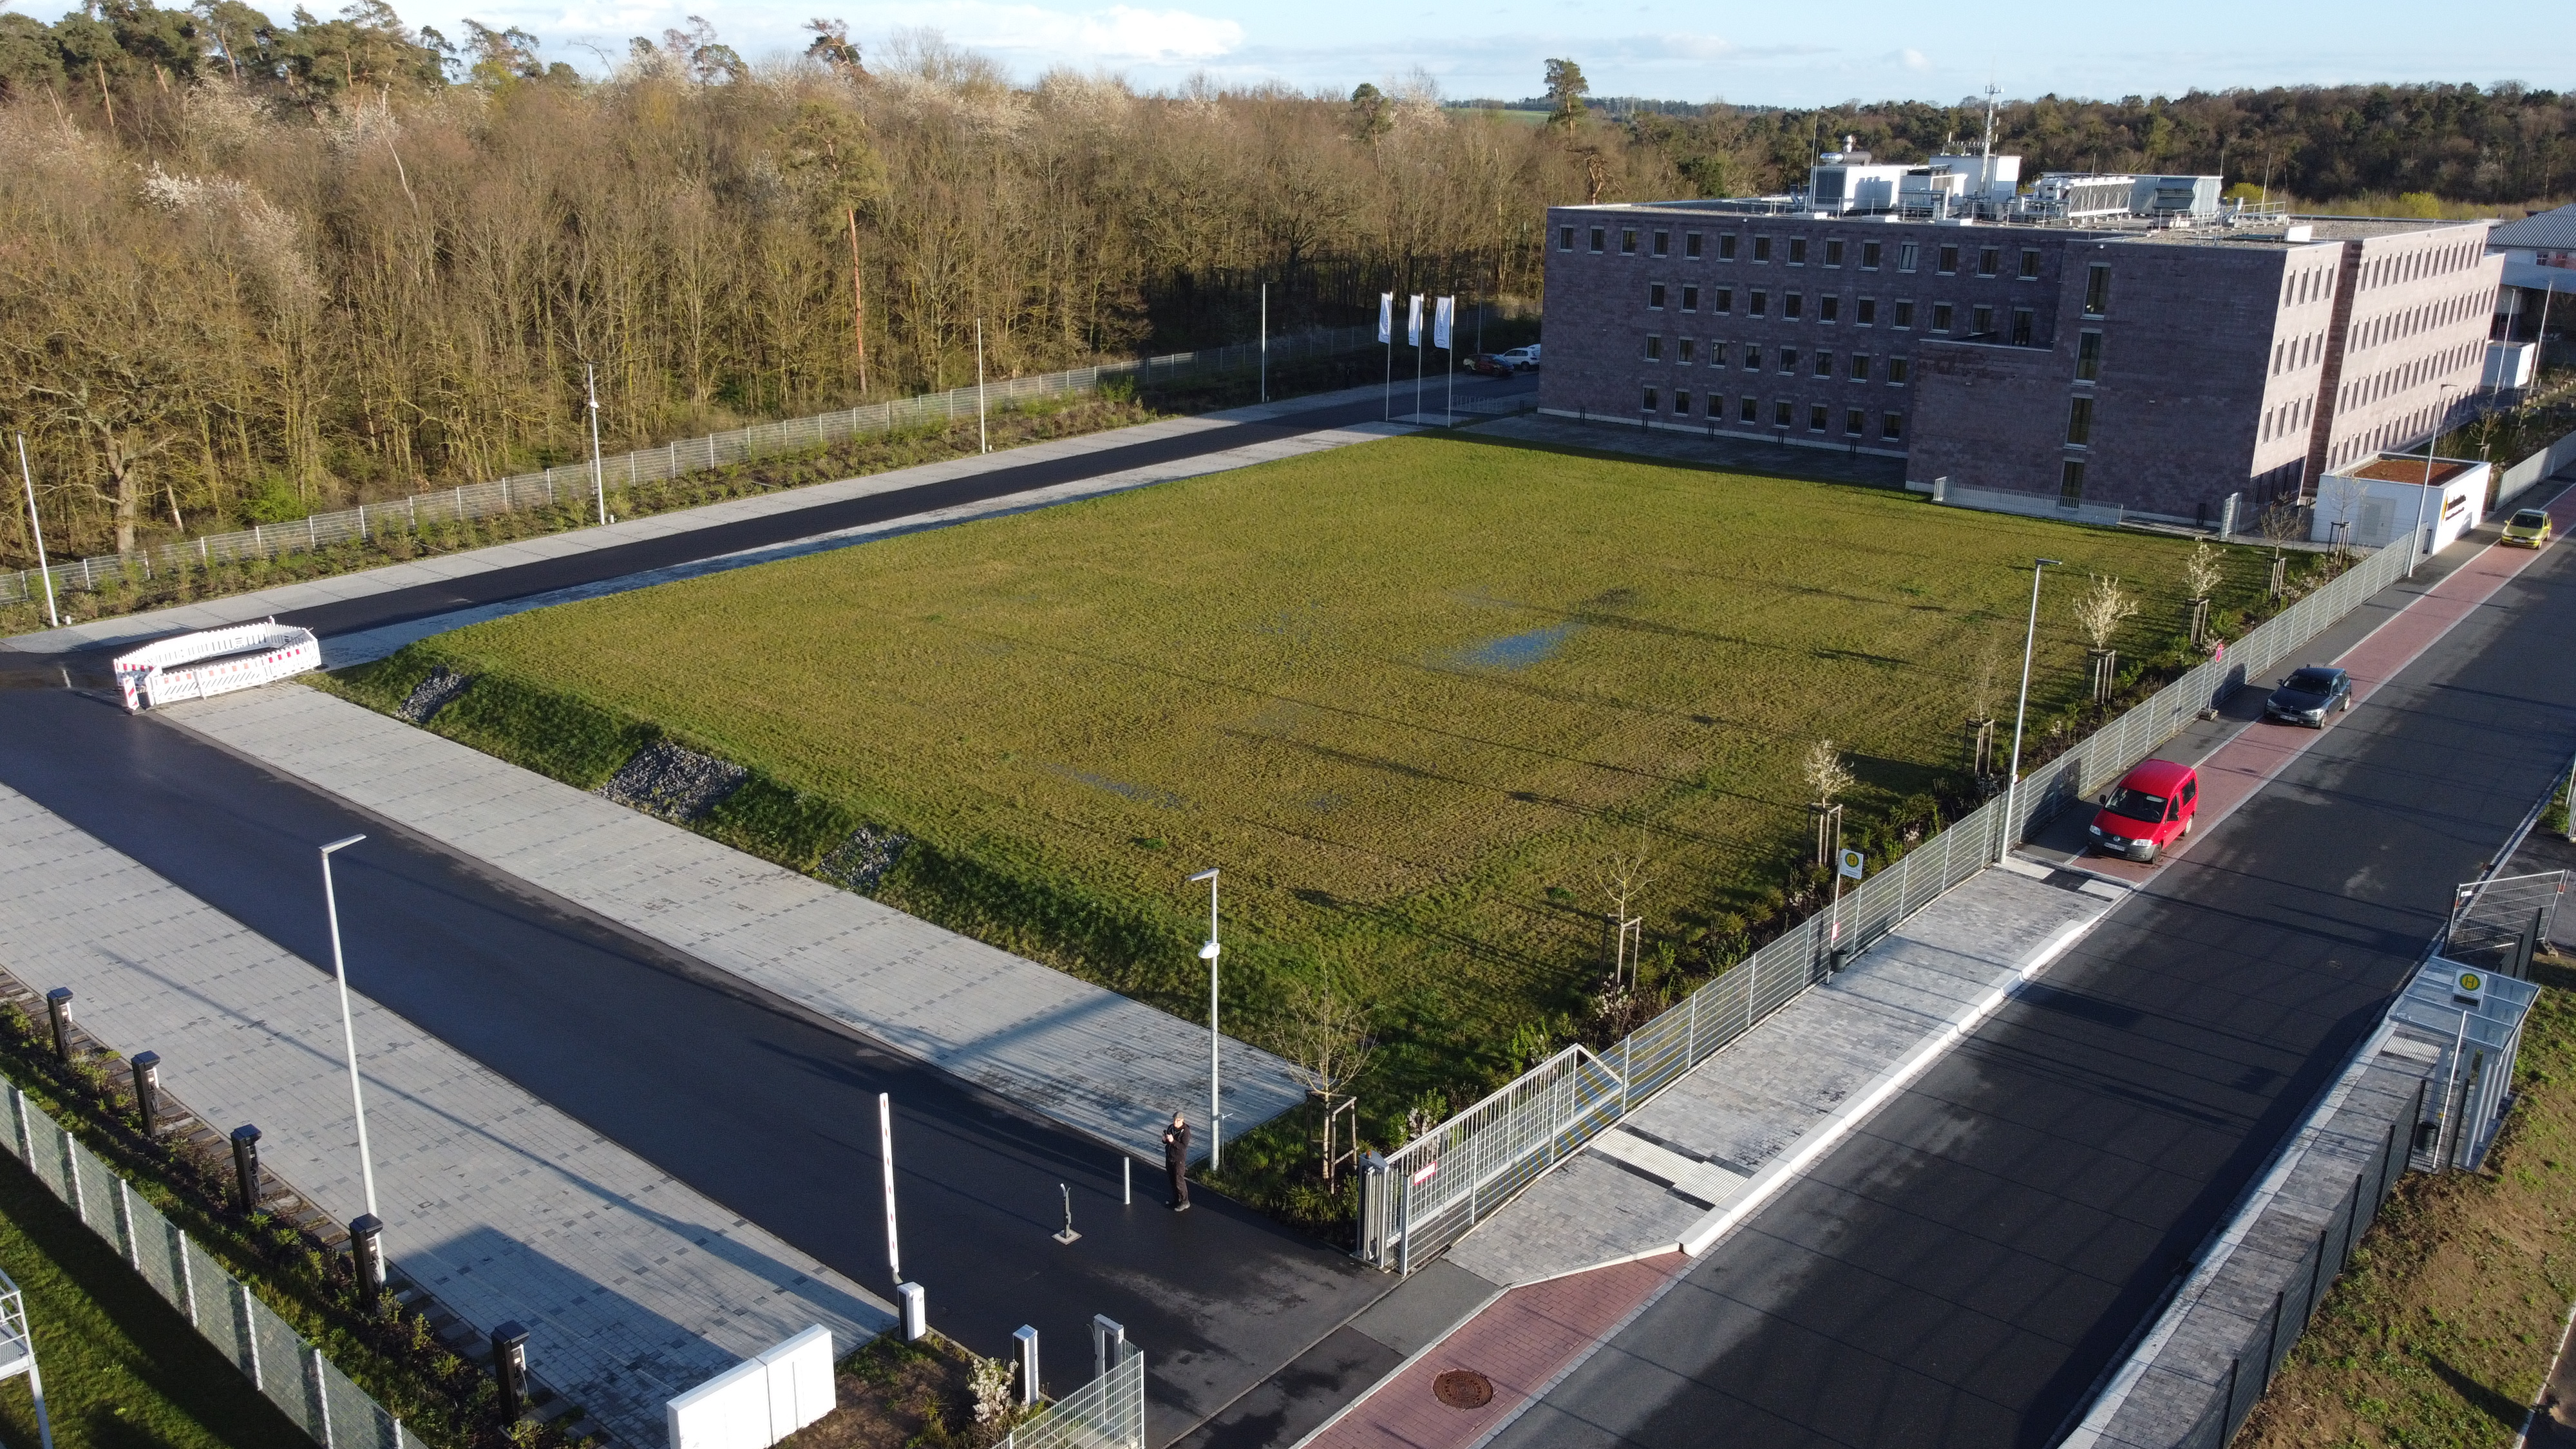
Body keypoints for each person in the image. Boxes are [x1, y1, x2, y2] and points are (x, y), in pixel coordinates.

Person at [1162, 1110, 1191, 1211]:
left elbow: (1183, 1147)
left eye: (1178, 1120)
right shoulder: (1171, 1127)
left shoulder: (1186, 1132)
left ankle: (1185, 1201)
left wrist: (1173, 1141)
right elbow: (1166, 1141)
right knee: (1172, 1180)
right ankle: (1176, 1200)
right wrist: (1165, 1140)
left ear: (1182, 1120)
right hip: (1169, 1157)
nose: (1175, 1122)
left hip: (1179, 1160)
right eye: (1174, 1120)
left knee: (1179, 1181)